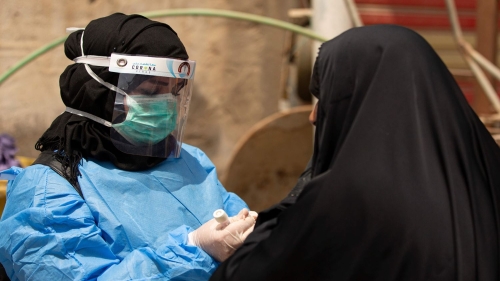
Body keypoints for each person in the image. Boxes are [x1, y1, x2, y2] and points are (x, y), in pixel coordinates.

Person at [209, 24, 500, 281]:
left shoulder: (351, 199)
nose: (313, 116)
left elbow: (245, 274)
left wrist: (275, 221)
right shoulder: (486, 167)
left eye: (326, 98)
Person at [0, 13, 256, 280]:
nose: (165, 104)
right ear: (97, 92)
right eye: (148, 92)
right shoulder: (46, 192)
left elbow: (241, 227)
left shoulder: (189, 161)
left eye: (173, 91)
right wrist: (193, 248)